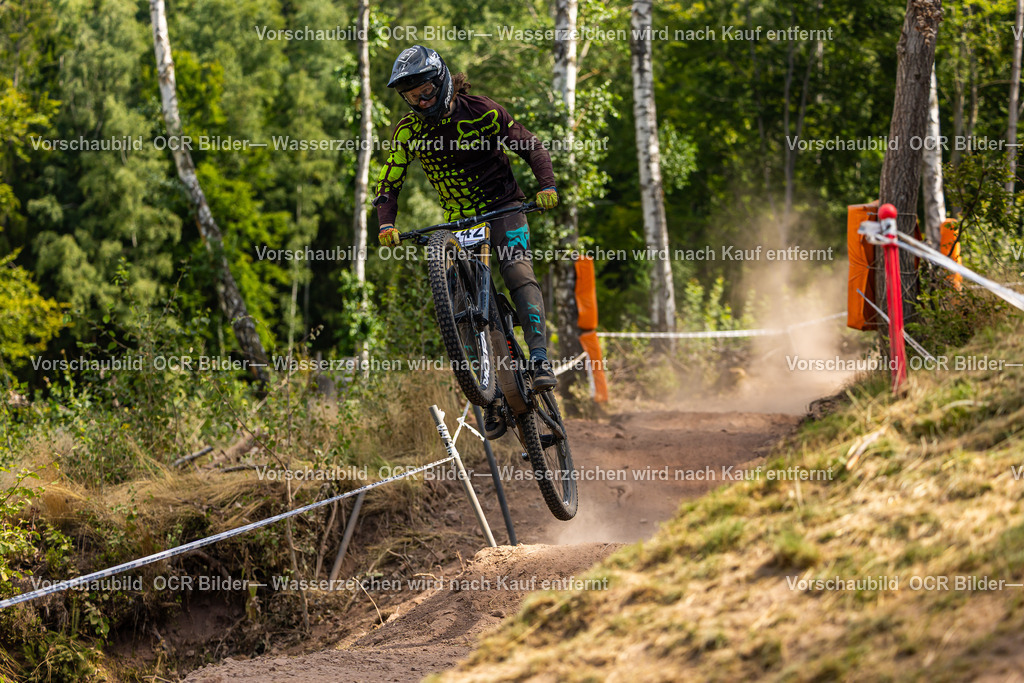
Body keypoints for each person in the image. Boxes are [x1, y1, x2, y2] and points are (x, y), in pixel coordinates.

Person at [374, 45, 558, 439]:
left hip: (504, 206)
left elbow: (531, 145)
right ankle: (489, 398)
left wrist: (546, 185)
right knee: (460, 301)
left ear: (441, 82)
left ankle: (540, 358)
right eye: (410, 97)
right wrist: (385, 224)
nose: (420, 102)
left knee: (516, 269)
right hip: (461, 222)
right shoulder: (409, 131)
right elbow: (388, 183)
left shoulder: (482, 110)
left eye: (424, 92)